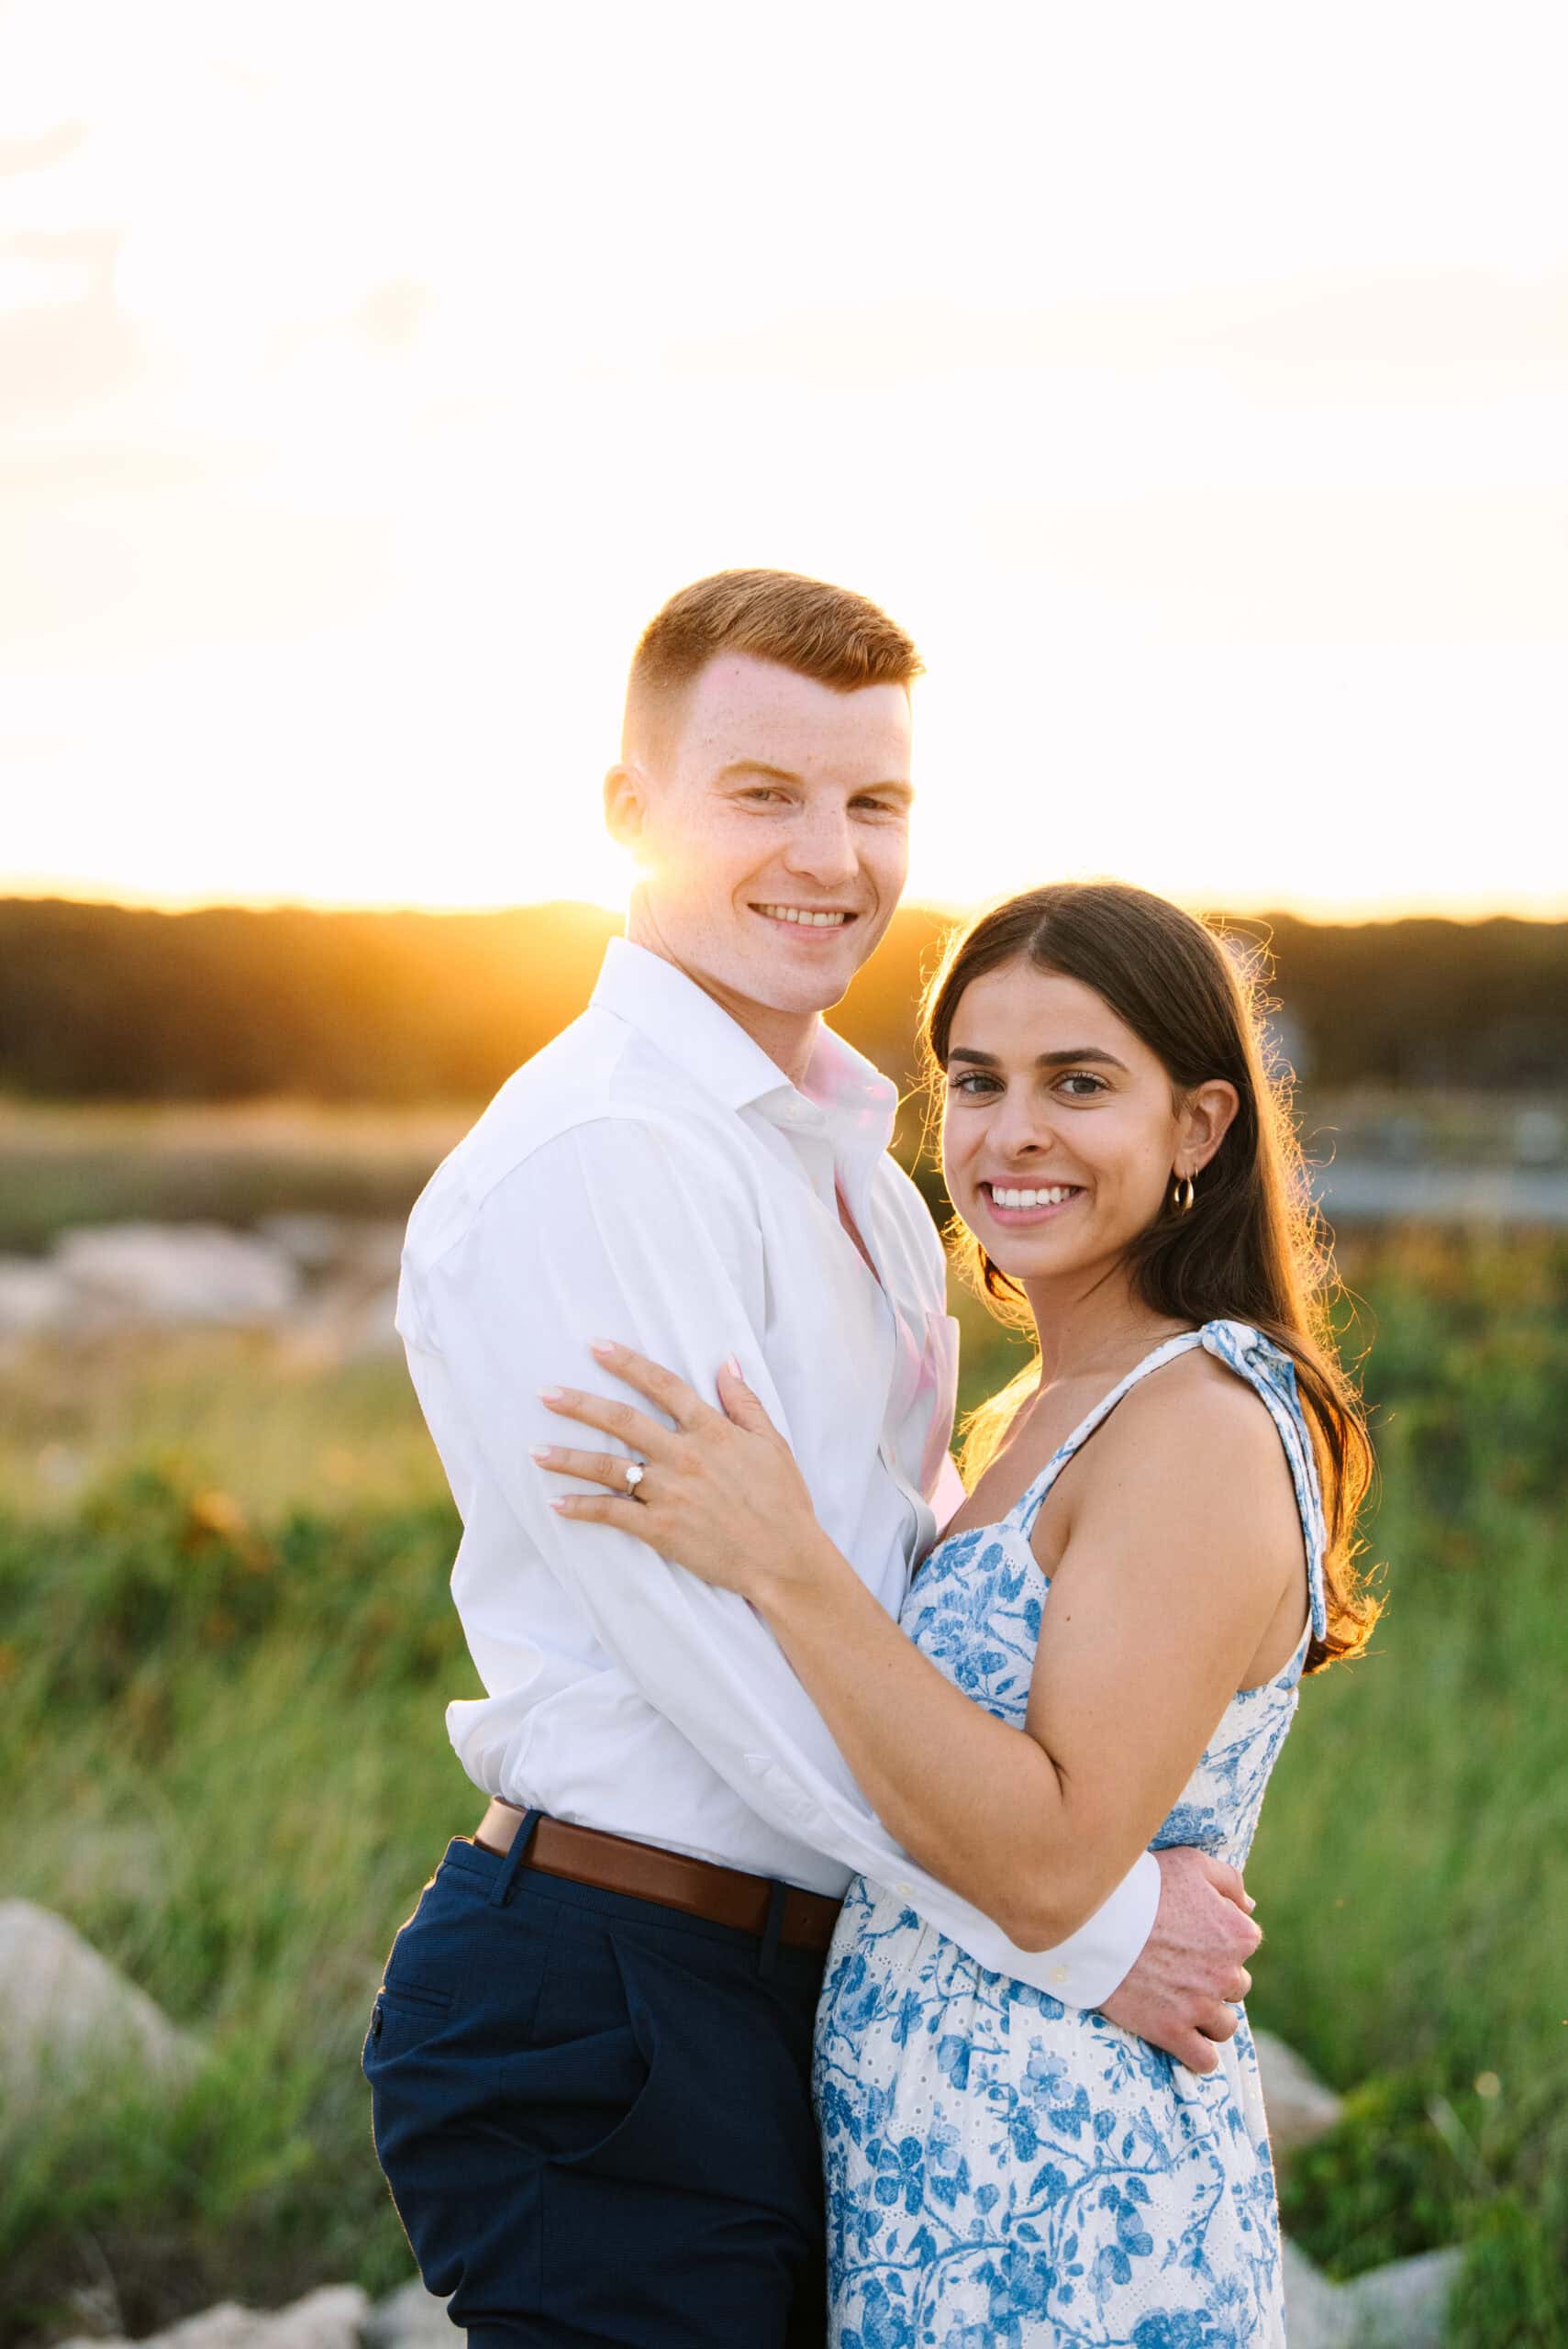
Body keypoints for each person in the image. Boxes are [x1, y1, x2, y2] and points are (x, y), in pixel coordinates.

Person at [365, 575, 1262, 2348]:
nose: (829, 858)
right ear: (632, 814)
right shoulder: (609, 1158)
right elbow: (725, 1671)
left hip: (800, 1979)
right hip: (620, 1982)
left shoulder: (845, 1144)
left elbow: (865, 1572)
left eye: (873, 804)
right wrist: (1080, 1930)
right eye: (762, 795)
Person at [540, 880, 1379, 2346]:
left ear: (1197, 1127)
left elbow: (1056, 1868)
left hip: (1071, 2211)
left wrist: (783, 1559)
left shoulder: (1193, 1421)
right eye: (978, 1083)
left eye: (1079, 1084)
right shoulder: (1024, 1414)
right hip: (934, 2182)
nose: (1013, 1133)